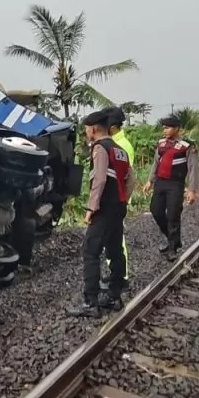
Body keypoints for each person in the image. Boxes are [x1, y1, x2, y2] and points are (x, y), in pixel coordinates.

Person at [68, 109, 135, 317]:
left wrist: (91, 208)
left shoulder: (100, 148)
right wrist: (122, 197)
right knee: (115, 250)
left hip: (104, 208)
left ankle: (91, 302)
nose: (86, 132)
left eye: (86, 129)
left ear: (94, 128)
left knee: (91, 251)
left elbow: (99, 179)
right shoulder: (119, 149)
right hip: (118, 207)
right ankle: (114, 296)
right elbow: (131, 180)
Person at [144, 115, 199, 261]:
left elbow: (193, 168)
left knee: (173, 215)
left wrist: (192, 190)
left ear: (176, 128)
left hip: (175, 184)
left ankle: (172, 247)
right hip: (161, 183)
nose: (165, 130)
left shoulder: (187, 145)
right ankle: (171, 237)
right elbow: (156, 163)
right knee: (155, 210)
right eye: (163, 127)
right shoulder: (161, 144)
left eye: (168, 127)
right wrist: (150, 181)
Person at [100, 106, 133, 293]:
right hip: (115, 200)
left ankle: (122, 276)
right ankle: (117, 273)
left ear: (112, 126)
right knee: (113, 239)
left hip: (116, 200)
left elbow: (128, 177)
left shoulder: (122, 146)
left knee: (118, 240)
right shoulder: (115, 143)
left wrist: (121, 200)